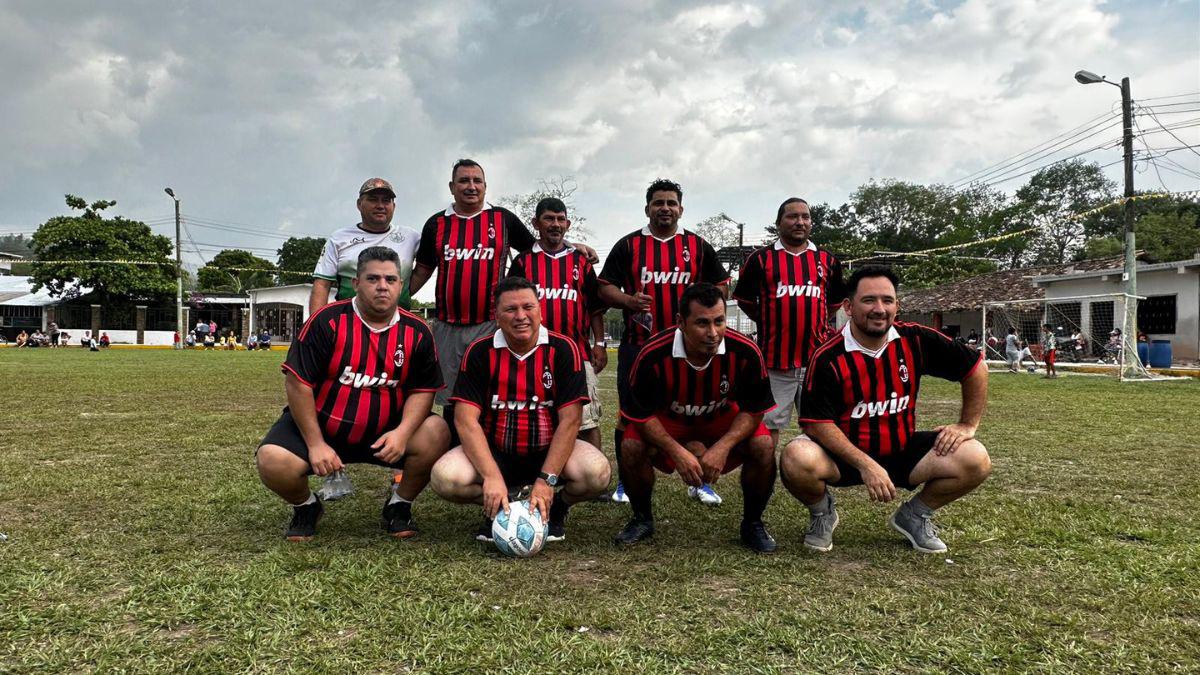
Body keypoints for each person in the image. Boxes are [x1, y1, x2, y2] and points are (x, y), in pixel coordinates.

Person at [780, 265, 991, 554]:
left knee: (976, 458)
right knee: (795, 457)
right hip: (845, 458)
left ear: (897, 305)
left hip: (902, 451)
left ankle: (915, 516)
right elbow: (817, 423)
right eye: (869, 300)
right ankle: (822, 513)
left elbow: (975, 367)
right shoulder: (828, 355)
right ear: (849, 307)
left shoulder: (915, 339)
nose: (879, 309)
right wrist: (866, 465)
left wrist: (967, 425)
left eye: (887, 300)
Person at [254, 247, 450, 541]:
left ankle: (400, 504)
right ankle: (306, 506)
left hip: (385, 434)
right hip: (324, 428)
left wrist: (402, 433)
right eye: (373, 278)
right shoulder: (326, 322)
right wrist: (316, 443)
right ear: (356, 283)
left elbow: (423, 390)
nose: (382, 286)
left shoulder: (418, 331)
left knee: (438, 431)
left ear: (400, 285)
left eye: (391, 279)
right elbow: (298, 384)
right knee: (272, 460)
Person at [408, 159, 597, 448]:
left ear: (485, 186)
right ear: (452, 187)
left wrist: (573, 246)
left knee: (488, 393)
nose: (471, 187)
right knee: (449, 399)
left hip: (489, 324)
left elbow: (538, 246)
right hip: (447, 325)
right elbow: (422, 269)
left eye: (477, 181)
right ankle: (453, 456)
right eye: (464, 181)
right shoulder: (437, 223)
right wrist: (396, 300)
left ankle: (491, 453)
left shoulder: (503, 219)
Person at [429, 276, 610, 543]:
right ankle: (502, 506)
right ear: (497, 315)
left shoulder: (563, 349)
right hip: (496, 452)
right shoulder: (479, 351)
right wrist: (491, 476)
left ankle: (556, 506)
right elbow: (466, 421)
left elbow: (570, 422)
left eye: (528, 307)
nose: (521, 316)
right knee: (445, 478)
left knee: (597, 474)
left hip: (546, 451)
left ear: (540, 309)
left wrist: (547, 481)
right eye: (510, 309)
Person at [613, 283, 778, 552]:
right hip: (669, 421)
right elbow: (641, 416)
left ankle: (753, 523)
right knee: (631, 446)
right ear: (681, 322)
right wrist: (677, 452)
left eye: (719, 321)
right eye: (702, 323)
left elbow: (753, 409)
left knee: (764, 445)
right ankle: (641, 519)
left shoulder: (745, 351)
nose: (713, 333)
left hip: (721, 418)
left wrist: (723, 447)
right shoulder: (652, 354)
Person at [598, 178, 732, 506]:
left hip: (690, 348)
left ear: (681, 209)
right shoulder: (629, 246)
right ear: (647, 208)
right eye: (659, 203)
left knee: (695, 412)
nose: (665, 208)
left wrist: (703, 302)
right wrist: (628, 300)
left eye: (671, 203)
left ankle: (701, 481)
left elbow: (722, 286)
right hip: (639, 344)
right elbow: (603, 288)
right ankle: (625, 482)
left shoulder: (698, 246)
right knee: (628, 414)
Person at [734, 197, 845, 450]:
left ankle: (816, 483)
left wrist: (812, 321)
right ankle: (766, 484)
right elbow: (744, 300)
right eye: (793, 216)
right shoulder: (760, 260)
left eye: (805, 217)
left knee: (822, 426)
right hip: (774, 363)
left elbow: (835, 302)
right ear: (778, 222)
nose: (800, 222)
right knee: (767, 428)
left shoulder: (827, 261)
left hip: (815, 362)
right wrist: (768, 320)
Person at [507, 197, 608, 453]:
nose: (555, 224)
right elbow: (509, 304)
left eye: (560, 219)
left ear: (568, 223)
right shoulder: (523, 262)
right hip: (533, 354)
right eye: (549, 219)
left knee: (586, 420)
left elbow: (594, 307)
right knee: (536, 417)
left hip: (577, 353)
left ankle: (595, 478)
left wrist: (600, 343)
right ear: (536, 223)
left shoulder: (581, 262)